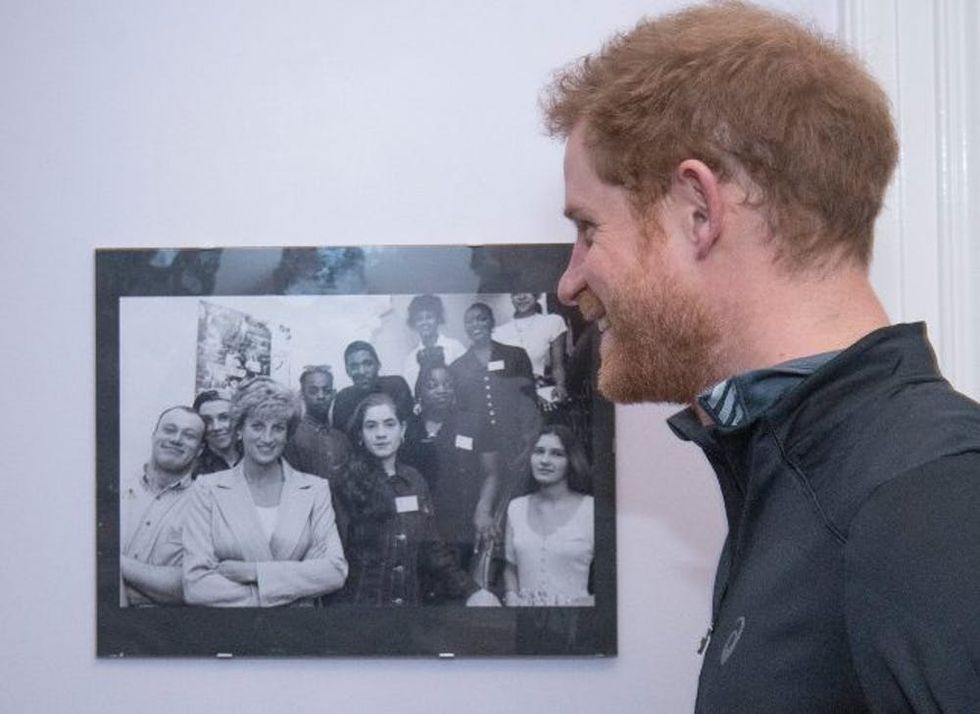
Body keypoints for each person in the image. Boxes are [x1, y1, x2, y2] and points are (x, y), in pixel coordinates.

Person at [547, 2, 980, 710]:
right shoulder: (798, 468)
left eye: (589, 230)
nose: (570, 281)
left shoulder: (928, 503)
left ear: (699, 210)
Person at [182, 377, 347, 607]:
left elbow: (335, 571)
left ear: (287, 434)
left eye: (277, 427)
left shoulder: (314, 489)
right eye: (257, 426)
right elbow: (196, 586)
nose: (267, 438)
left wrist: (255, 572)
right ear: (239, 430)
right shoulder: (207, 489)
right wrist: (292, 592)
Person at [336, 392, 499, 607]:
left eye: (389, 424)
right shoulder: (344, 483)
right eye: (371, 426)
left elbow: (433, 549)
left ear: (402, 430)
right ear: (360, 434)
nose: (381, 434)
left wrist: (472, 591)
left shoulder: (414, 480)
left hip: (409, 610)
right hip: (361, 613)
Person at [401, 359, 501, 587]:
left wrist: (483, 511)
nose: (441, 390)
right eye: (432, 385)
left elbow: (492, 473)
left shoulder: (474, 423)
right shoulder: (406, 428)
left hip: (463, 526)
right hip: (420, 530)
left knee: (462, 589)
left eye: (447, 384)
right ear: (419, 391)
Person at [120, 406, 205, 606]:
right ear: (154, 435)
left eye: (189, 435)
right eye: (169, 430)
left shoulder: (204, 507)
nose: (176, 439)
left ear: (200, 449)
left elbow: (191, 587)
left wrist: (113, 563)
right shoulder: (114, 488)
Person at [503, 426, 593, 607]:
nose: (544, 460)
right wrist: (511, 594)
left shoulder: (590, 509)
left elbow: (611, 583)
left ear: (571, 461)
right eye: (539, 452)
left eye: (557, 454)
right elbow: (511, 568)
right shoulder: (516, 507)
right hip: (526, 619)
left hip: (575, 622)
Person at [492, 293, 569, 407]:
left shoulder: (553, 322)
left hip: (543, 390)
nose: (521, 297)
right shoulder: (497, 332)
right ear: (511, 297)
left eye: (526, 291)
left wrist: (560, 386)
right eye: (515, 292)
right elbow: (497, 373)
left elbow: (557, 366)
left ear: (536, 294)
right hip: (513, 394)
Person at [283, 365, 350, 487]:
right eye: (313, 391)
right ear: (302, 394)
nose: (321, 396)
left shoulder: (341, 439)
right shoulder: (293, 437)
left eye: (326, 390)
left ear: (334, 394)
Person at [331, 340, 414, 433]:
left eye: (367, 364)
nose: (361, 371)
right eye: (354, 366)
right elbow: (341, 439)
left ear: (378, 365)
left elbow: (409, 428)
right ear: (347, 371)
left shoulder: (396, 386)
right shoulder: (343, 398)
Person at [401, 294, 466, 391]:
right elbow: (412, 391)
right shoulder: (410, 359)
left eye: (429, 317)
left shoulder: (455, 347)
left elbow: (466, 381)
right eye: (419, 319)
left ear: (438, 319)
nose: (424, 323)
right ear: (414, 323)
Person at [192, 389, 241, 475]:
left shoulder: (253, 455)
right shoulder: (193, 468)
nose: (216, 427)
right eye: (207, 420)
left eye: (224, 417)